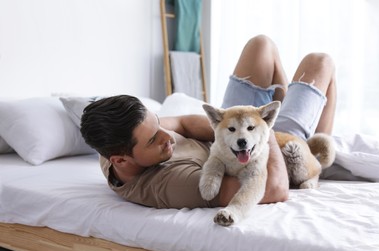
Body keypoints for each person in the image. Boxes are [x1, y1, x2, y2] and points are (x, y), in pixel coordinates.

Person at [80, 35, 336, 209]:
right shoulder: (171, 184)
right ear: (121, 160)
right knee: (321, 62)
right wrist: (262, 127)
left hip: (235, 129)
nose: (166, 136)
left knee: (261, 45)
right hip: (263, 147)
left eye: (157, 123)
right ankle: (320, 147)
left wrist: (229, 126)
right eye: (153, 140)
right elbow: (275, 189)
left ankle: (281, 103)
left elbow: (182, 123)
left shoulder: (119, 139)